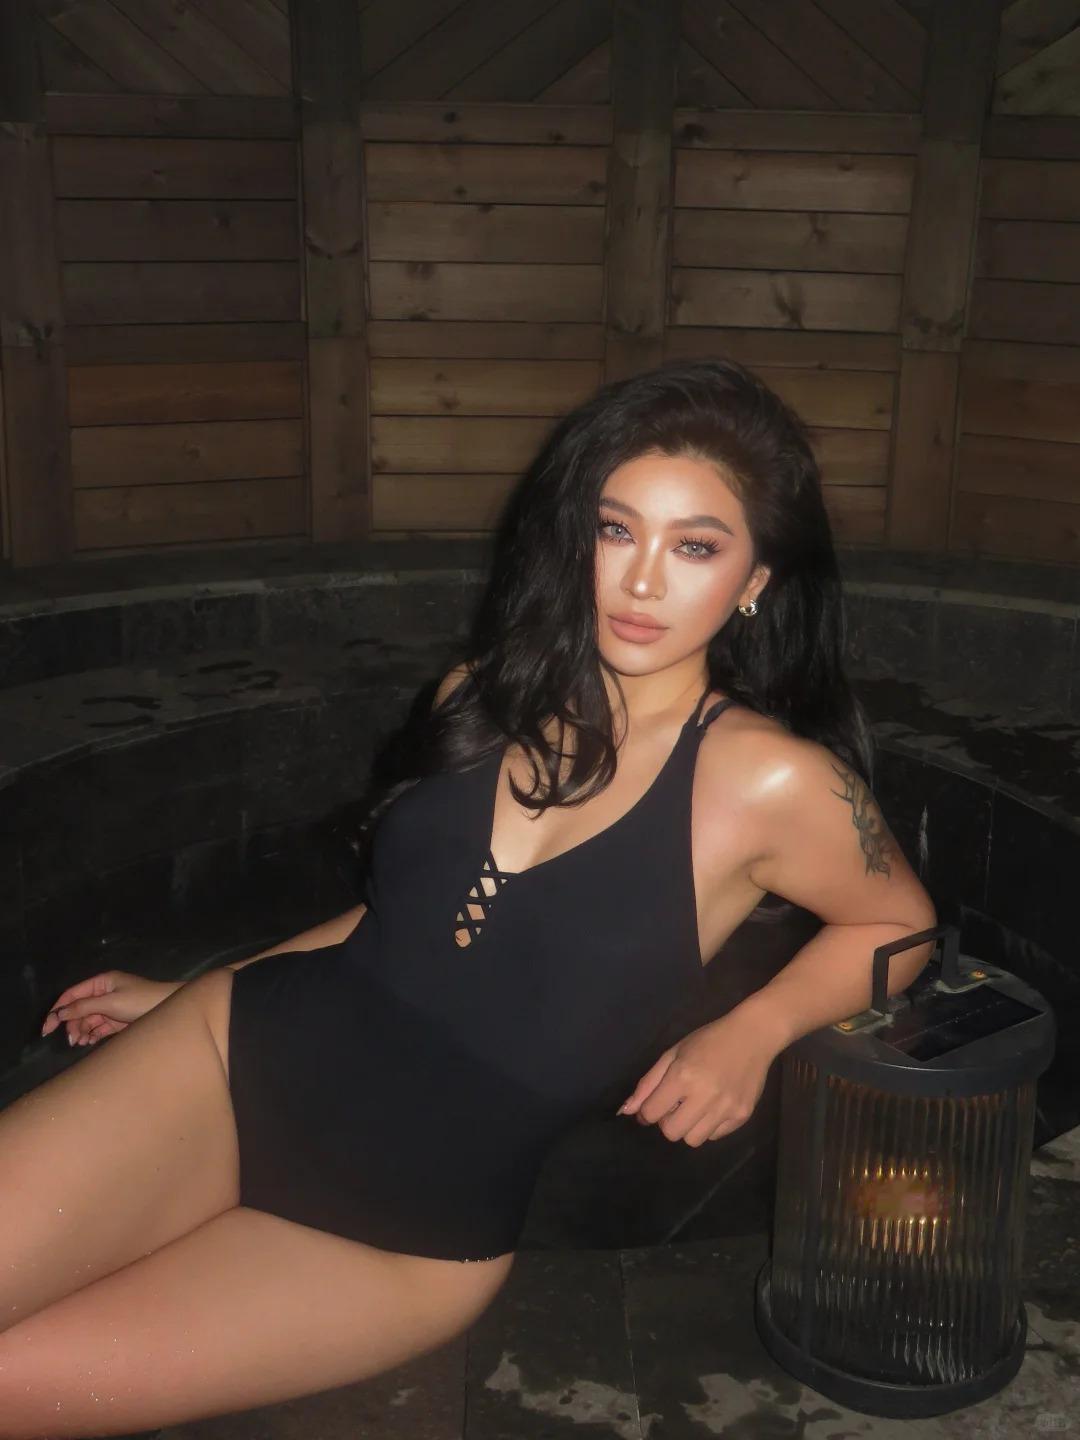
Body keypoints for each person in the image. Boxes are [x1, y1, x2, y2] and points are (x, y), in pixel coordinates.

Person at [1, 357, 936, 1434]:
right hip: (231, 1055)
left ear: (756, 578)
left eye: (695, 547)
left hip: (403, 1232)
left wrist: (755, 1030)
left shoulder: (771, 782)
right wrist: (186, 994)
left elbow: (900, 922)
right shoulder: (481, 694)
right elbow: (402, 926)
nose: (641, 582)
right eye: (616, 530)